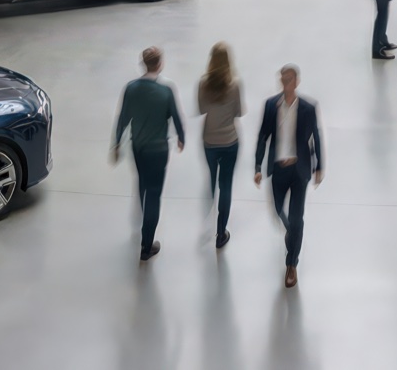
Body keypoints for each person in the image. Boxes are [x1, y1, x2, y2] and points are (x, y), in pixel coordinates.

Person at [111, 46, 185, 262]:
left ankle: (145, 221)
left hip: (139, 148)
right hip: (159, 149)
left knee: (143, 184)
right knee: (154, 194)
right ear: (160, 64)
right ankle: (147, 244)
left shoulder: (131, 89)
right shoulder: (166, 90)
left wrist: (116, 143)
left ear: (144, 63)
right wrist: (181, 137)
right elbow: (176, 117)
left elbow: (123, 118)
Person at [253, 65, 322, 288]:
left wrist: (319, 165)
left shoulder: (308, 108)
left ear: (297, 81)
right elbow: (263, 135)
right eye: (283, 80)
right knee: (277, 210)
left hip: (299, 169)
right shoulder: (271, 105)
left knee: (296, 217)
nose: (286, 84)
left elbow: (316, 137)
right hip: (278, 169)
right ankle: (291, 232)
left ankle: (291, 264)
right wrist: (257, 165)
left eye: (290, 80)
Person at [196, 42, 244, 249]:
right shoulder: (235, 84)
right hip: (230, 141)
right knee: (227, 184)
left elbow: (201, 109)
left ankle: (209, 200)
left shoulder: (203, 83)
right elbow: (239, 112)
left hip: (209, 141)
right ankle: (220, 231)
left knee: (212, 176)